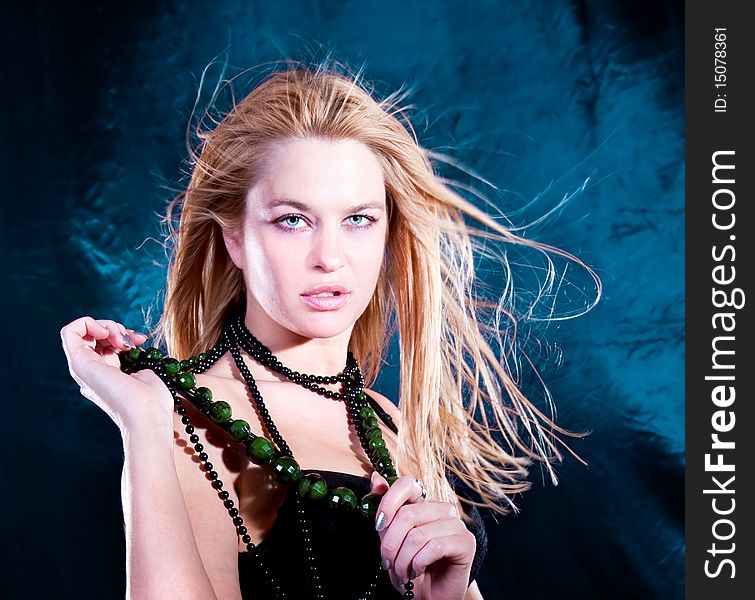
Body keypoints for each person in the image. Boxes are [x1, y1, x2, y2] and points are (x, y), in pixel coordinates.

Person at [61, 60, 600, 599]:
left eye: (359, 220)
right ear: (235, 239)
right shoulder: (187, 416)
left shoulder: (386, 424)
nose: (330, 258)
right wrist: (142, 424)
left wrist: (448, 595)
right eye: (293, 220)